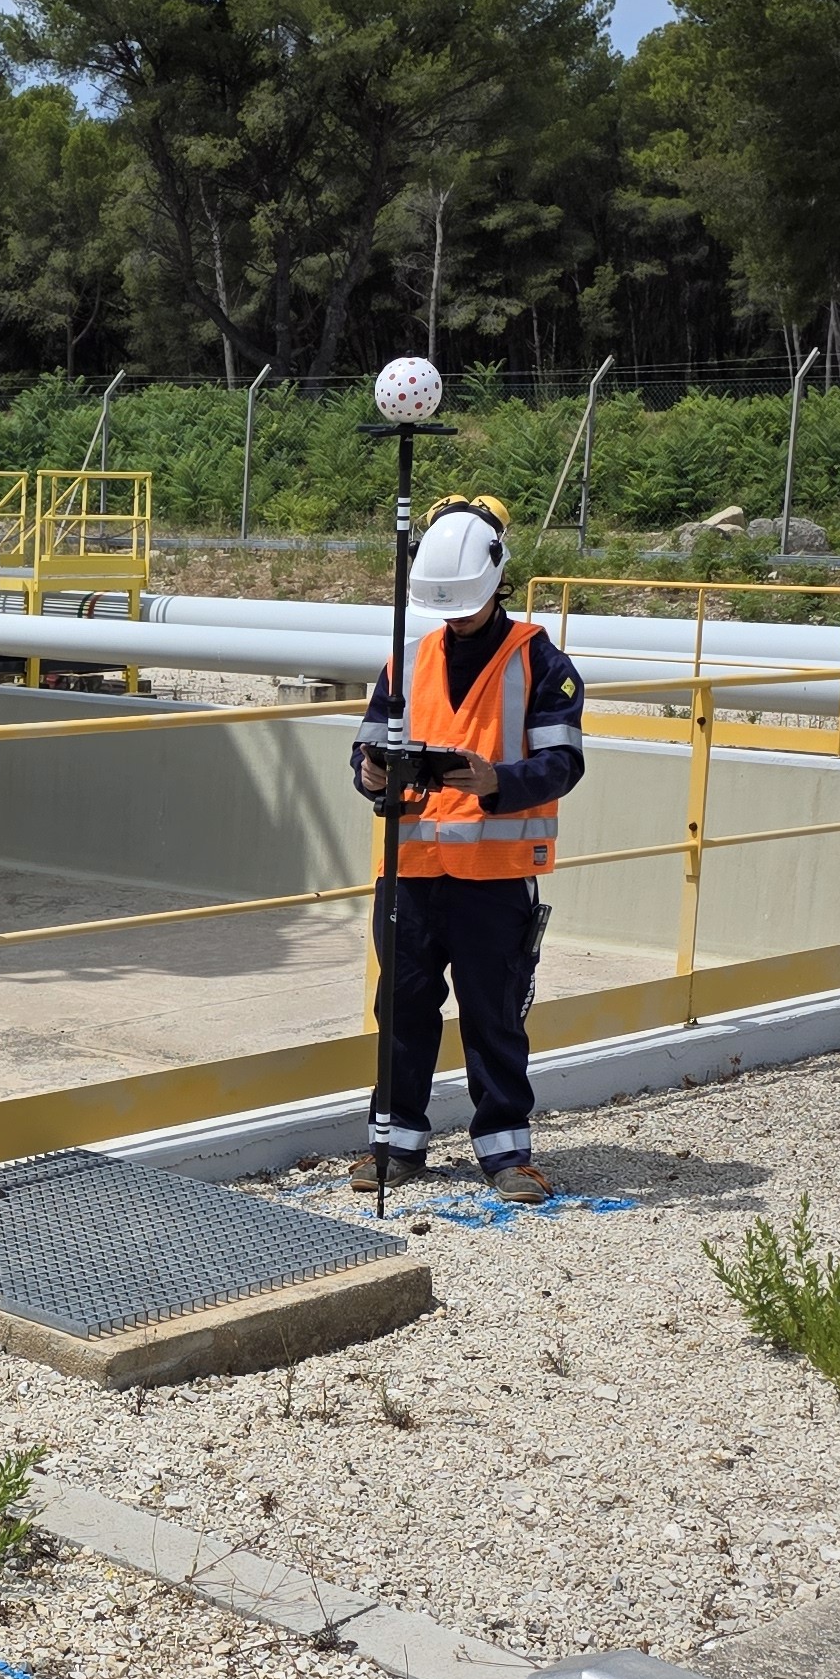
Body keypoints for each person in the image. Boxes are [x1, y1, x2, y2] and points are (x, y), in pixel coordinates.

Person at [349, 501, 584, 1198]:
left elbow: (563, 764)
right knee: (403, 1010)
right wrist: (367, 772)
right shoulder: (409, 659)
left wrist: (497, 782)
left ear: (497, 584)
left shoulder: (540, 662)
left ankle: (507, 1155)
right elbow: (367, 745)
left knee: (494, 1017)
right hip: (413, 874)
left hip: (494, 877)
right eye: (444, 609)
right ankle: (394, 1147)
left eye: (465, 607)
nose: (453, 620)